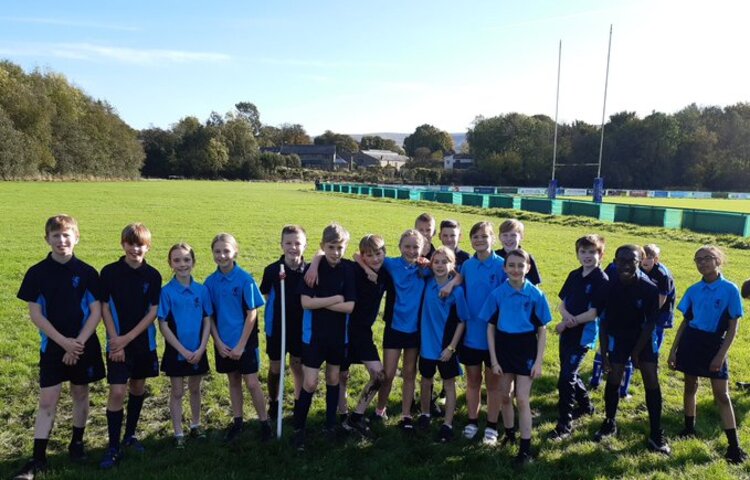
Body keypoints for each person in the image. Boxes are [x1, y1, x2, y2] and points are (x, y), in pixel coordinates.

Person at [14, 215, 106, 480]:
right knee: (47, 400)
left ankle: (77, 444)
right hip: (53, 346)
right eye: (56, 236)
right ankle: (38, 457)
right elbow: (36, 315)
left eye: (67, 235)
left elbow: (95, 311)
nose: (62, 240)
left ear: (76, 237)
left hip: (84, 344)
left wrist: (77, 343)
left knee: (80, 394)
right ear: (47, 239)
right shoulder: (36, 273)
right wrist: (63, 342)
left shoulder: (87, 272)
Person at [668, 246, 747, 464]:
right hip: (691, 342)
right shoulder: (694, 290)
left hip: (714, 345)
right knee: (689, 386)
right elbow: (685, 322)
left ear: (718, 260)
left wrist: (720, 356)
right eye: (698, 260)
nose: (702, 263)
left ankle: (734, 446)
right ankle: (688, 427)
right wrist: (674, 349)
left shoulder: (730, 290)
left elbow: (732, 328)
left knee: (722, 395)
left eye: (707, 258)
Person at [593, 245, 670, 455]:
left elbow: (650, 324)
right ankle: (609, 422)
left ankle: (656, 433)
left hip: (643, 337)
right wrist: (604, 351)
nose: (626, 265)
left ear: (639, 262)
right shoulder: (608, 286)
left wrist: (636, 352)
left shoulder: (649, 288)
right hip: (619, 335)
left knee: (650, 378)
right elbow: (604, 320)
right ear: (615, 261)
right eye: (622, 261)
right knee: (614, 375)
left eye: (632, 261)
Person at [99, 223, 162, 469]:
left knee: (137, 387)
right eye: (131, 243)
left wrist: (128, 339)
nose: (135, 248)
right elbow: (104, 307)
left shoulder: (153, 275)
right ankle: (113, 445)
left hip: (143, 343)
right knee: (117, 391)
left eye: (140, 244)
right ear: (123, 244)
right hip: (116, 344)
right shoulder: (109, 272)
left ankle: (130, 435)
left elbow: (153, 311)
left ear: (148, 246)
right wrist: (117, 340)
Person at [483, 248, 551, 465]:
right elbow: (490, 327)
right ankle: (510, 434)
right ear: (504, 268)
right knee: (505, 395)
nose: (515, 269)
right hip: (504, 349)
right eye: (511, 265)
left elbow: (542, 330)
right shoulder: (497, 294)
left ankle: (525, 448)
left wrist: (538, 361)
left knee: (522, 398)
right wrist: (493, 360)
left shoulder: (536, 295)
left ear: (528, 268)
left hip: (525, 350)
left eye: (521, 265)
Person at [292, 223, 356, 451]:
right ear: (322, 246)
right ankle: (299, 426)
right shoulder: (313, 268)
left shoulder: (348, 269)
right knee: (309, 382)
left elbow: (350, 306)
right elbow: (305, 302)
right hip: (314, 337)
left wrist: (325, 303)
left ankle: (330, 425)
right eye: (331, 247)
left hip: (339, 337)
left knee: (333, 378)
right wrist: (334, 299)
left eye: (340, 247)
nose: (336, 252)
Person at [205, 233, 272, 443]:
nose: (222, 255)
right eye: (217, 251)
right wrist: (217, 341)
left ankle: (264, 422)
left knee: (252, 383)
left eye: (226, 251)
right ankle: (238, 421)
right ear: (213, 254)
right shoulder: (210, 282)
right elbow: (210, 316)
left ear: (235, 252)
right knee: (233, 381)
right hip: (223, 343)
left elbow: (252, 313)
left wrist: (241, 345)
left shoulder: (245, 279)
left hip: (245, 342)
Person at [549, 234, 608, 440]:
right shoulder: (574, 275)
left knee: (565, 379)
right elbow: (561, 304)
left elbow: (593, 313)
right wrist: (565, 319)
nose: (587, 256)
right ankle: (586, 406)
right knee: (569, 372)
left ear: (601, 254)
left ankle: (564, 425)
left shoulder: (602, 280)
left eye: (592, 252)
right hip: (567, 332)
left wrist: (567, 322)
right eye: (583, 252)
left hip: (583, 334)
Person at [373, 229, 430, 431]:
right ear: (399, 247)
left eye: (416, 247)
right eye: (407, 246)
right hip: (394, 327)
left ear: (423, 249)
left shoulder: (426, 269)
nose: (411, 251)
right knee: (387, 374)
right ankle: (380, 410)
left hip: (414, 330)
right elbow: (360, 256)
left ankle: (406, 415)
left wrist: (429, 264)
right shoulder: (390, 264)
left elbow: (452, 273)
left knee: (409, 373)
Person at [157, 243, 212, 448]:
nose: (182, 264)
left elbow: (207, 320)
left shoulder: (202, 290)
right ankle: (178, 432)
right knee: (178, 392)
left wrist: (201, 348)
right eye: (177, 260)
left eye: (186, 260)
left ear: (194, 262)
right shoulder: (166, 292)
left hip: (198, 350)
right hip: (177, 352)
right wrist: (182, 350)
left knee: (195, 389)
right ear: (170, 263)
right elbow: (163, 324)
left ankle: (196, 425)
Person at [458, 221, 508, 445]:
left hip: (495, 339)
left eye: (484, 236)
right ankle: (471, 420)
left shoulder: (502, 265)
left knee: (494, 384)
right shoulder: (467, 265)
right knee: (473, 381)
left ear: (492, 239)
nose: (479, 240)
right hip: (471, 335)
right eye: (475, 236)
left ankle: (491, 425)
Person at [416, 247, 469, 442]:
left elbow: (462, 321)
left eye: (444, 262)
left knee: (449, 384)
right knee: (426, 380)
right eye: (436, 261)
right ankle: (425, 414)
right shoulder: (427, 283)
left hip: (446, 347)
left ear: (452, 264)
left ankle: (447, 424)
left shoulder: (457, 291)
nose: (439, 265)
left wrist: (451, 347)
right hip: (427, 346)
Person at [341, 234, 389, 435]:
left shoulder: (386, 272)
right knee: (341, 375)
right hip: (343, 329)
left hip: (363, 332)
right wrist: (363, 266)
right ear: (363, 256)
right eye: (369, 255)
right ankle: (341, 415)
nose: (375, 259)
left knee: (379, 375)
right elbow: (326, 254)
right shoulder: (353, 269)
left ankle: (357, 415)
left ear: (384, 253)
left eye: (378, 254)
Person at [260, 225, 308, 419]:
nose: (293, 247)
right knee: (275, 367)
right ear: (281, 245)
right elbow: (265, 294)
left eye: (298, 243)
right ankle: (274, 401)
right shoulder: (272, 270)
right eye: (288, 243)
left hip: (301, 327)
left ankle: (298, 402)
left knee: (297, 366)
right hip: (278, 327)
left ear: (305, 245)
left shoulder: (311, 270)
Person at [495, 219, 542, 285]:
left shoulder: (527, 258)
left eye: (513, 235)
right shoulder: (494, 257)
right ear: (499, 237)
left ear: (521, 237)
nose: (508, 239)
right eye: (505, 235)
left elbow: (534, 285)